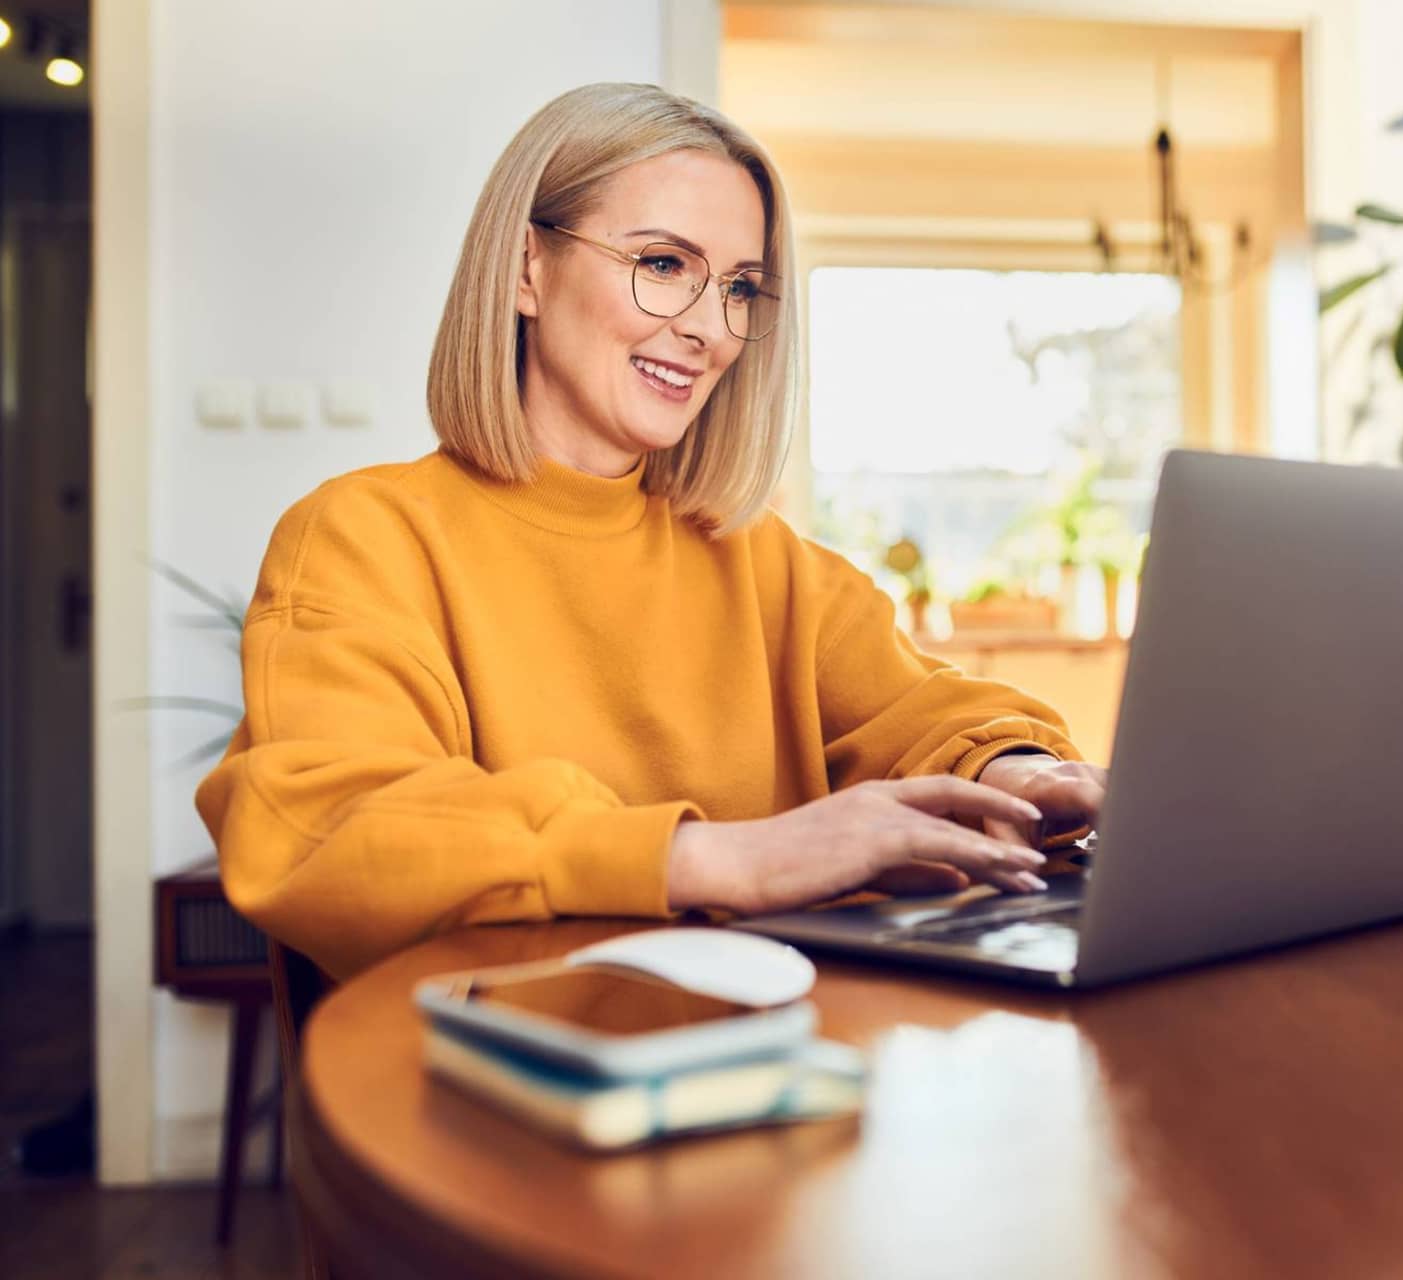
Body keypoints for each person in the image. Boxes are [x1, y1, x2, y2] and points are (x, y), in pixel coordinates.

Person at [196, 83, 1108, 980]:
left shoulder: (757, 558)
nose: (710, 330)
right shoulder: (364, 538)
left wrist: (1016, 771)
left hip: (773, 1072)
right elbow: (333, 828)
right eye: (664, 264)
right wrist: (723, 861)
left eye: (740, 287)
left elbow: (930, 711)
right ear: (526, 269)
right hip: (493, 1087)